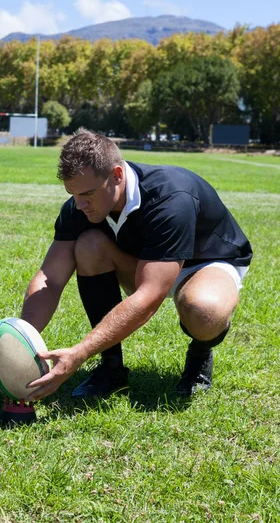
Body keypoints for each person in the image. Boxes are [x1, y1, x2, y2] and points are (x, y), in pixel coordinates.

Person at [23, 129, 252, 401]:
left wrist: (79, 353)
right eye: (72, 194)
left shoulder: (171, 198)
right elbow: (50, 277)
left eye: (88, 194)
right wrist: (22, 340)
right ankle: (111, 367)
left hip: (205, 263)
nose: (79, 204)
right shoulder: (79, 206)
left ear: (117, 175)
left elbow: (148, 297)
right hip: (146, 263)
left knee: (203, 312)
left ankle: (200, 351)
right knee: (89, 246)